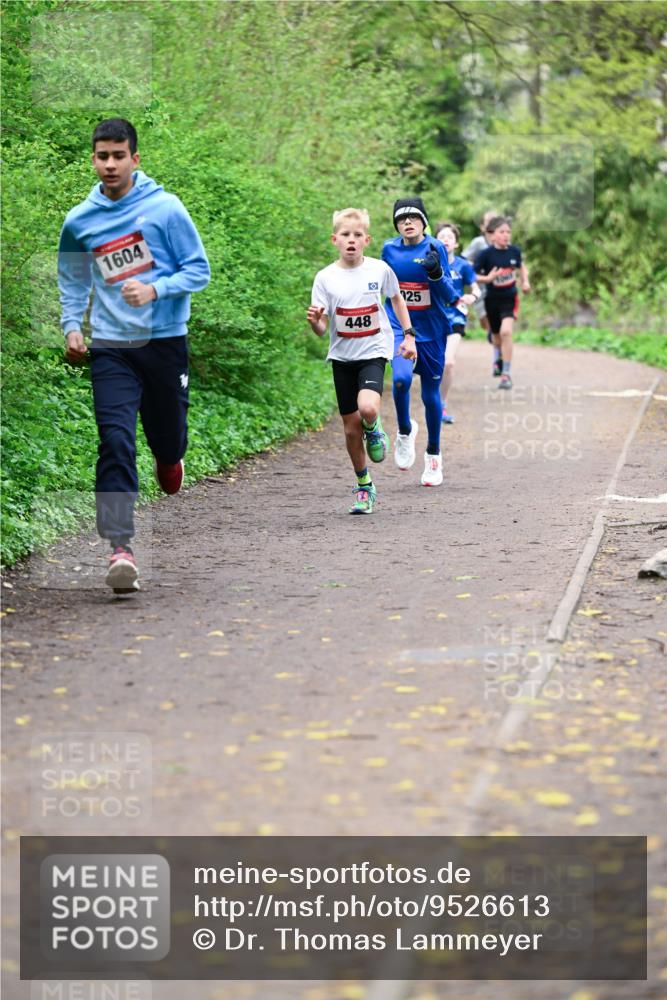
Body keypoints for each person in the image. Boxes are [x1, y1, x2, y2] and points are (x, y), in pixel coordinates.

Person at [58, 118, 211, 592]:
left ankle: (170, 457)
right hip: (110, 346)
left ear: (134, 159)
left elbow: (198, 270)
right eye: (102, 156)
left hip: (164, 341)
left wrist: (156, 288)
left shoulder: (165, 210)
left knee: (168, 442)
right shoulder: (80, 220)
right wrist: (71, 324)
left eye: (118, 156)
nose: (109, 164)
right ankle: (119, 547)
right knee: (115, 440)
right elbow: (72, 276)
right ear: (93, 159)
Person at [307, 208, 416, 514]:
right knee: (350, 429)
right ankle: (364, 485)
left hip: (373, 350)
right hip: (342, 356)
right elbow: (320, 329)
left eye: (357, 235)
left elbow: (397, 298)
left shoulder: (379, 270)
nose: (351, 240)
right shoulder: (325, 278)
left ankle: (374, 424)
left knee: (367, 407)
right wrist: (315, 321)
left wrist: (408, 335)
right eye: (345, 235)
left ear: (366, 239)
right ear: (334, 240)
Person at [382, 198, 457, 487]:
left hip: (433, 330)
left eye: (414, 217)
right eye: (402, 219)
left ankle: (433, 455)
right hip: (400, 327)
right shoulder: (389, 249)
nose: (407, 223)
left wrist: (436, 273)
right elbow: (385, 289)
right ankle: (404, 430)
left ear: (424, 221)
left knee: (429, 396)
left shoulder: (435, 247)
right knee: (400, 380)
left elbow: (450, 294)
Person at [474, 215, 530, 389]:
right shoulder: (485, 255)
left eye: (508, 232)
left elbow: (521, 266)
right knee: (496, 337)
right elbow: (472, 276)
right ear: (492, 235)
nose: (506, 235)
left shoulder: (514, 251)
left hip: (510, 298)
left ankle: (506, 374)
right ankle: (498, 355)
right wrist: (488, 278)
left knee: (506, 333)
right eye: (502, 232)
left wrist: (525, 281)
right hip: (491, 299)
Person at [434, 221, 482, 424]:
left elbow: (476, 289)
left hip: (455, 316)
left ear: (456, 244)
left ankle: (442, 406)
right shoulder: (429, 263)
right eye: (441, 236)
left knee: (448, 362)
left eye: (449, 237)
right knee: (432, 364)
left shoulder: (463, 265)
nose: (445, 239)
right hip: (432, 317)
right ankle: (432, 401)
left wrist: (473, 297)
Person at [461, 209, 501, 374]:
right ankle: (492, 335)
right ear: (483, 226)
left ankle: (497, 360)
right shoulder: (478, 243)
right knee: (487, 324)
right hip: (481, 289)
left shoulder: (503, 241)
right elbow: (463, 259)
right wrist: (474, 267)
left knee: (497, 326)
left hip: (499, 291)